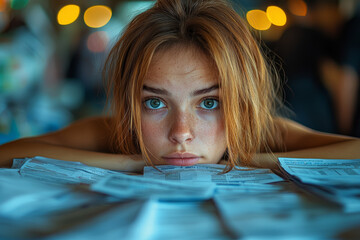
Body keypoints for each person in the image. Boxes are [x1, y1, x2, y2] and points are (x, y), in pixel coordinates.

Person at [0, 0, 359, 172]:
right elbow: (6, 154)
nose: (181, 133)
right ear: (130, 104)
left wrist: (250, 161)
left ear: (241, 103)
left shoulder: (255, 132)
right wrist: (133, 162)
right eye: (155, 103)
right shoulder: (121, 131)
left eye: (209, 103)